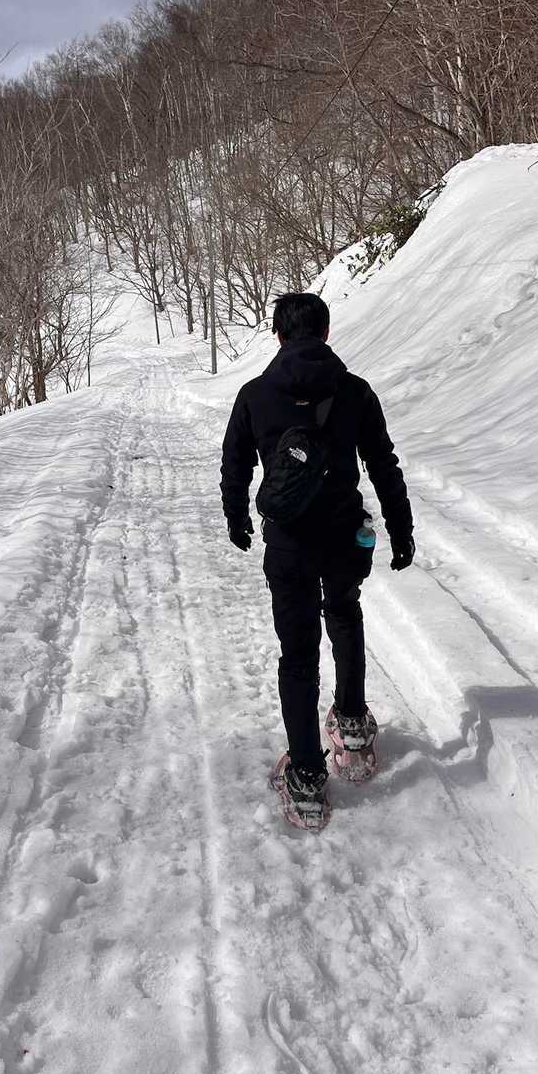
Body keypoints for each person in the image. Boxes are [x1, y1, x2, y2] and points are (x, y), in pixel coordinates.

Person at [220, 292, 415, 830]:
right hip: (344, 536)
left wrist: (237, 518)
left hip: (289, 544)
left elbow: (235, 464)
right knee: (345, 613)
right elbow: (383, 464)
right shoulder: (354, 391)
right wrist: (401, 528)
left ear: (278, 336)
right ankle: (351, 723)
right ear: (326, 333)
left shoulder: (256, 394)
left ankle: (306, 774)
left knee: (298, 655)